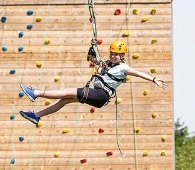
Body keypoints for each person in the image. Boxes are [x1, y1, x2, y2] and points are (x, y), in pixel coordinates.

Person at [18, 40, 166, 124]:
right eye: (112, 54)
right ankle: (36, 115)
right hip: (98, 96)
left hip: (101, 95)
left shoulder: (123, 68)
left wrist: (153, 79)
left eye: (117, 55)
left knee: (68, 91)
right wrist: (92, 47)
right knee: (64, 100)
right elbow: (91, 59)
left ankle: (36, 93)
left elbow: (138, 73)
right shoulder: (107, 63)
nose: (114, 56)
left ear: (122, 55)